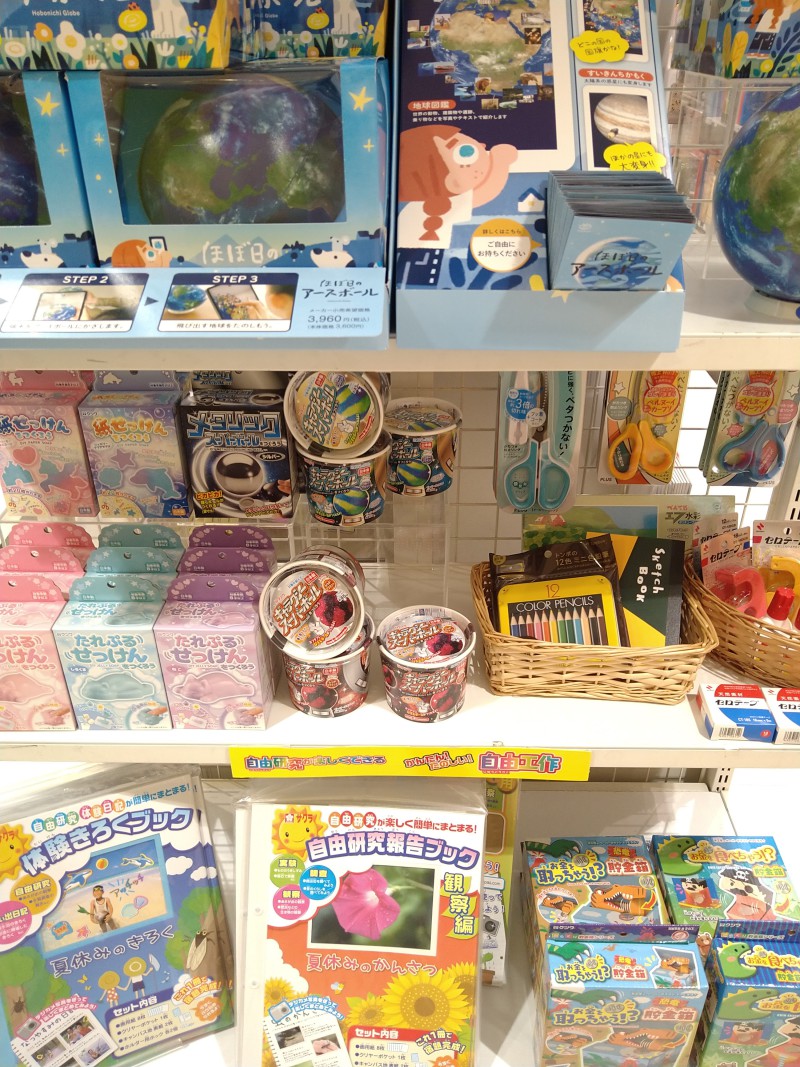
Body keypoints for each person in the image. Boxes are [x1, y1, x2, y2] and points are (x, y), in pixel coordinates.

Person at [397, 125, 518, 250]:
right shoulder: (449, 202)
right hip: (428, 251)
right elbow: (486, 191)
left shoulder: (412, 209)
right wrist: (500, 163)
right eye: (466, 152)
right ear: (454, 181)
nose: (482, 145)